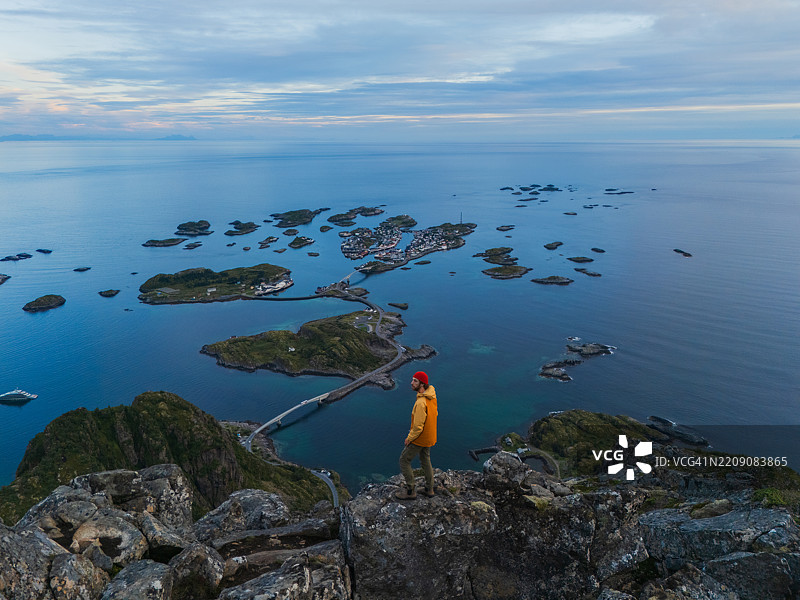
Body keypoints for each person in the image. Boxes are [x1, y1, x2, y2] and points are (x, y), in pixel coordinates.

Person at [395, 370, 438, 500]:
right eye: (412, 379)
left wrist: (409, 438)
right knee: (425, 459)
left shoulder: (421, 402)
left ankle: (410, 491)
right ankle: (429, 488)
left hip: (420, 438)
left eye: (415, 381)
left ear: (422, 384)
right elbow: (435, 414)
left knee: (404, 460)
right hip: (429, 436)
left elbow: (418, 426)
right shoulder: (432, 396)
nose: (411, 383)